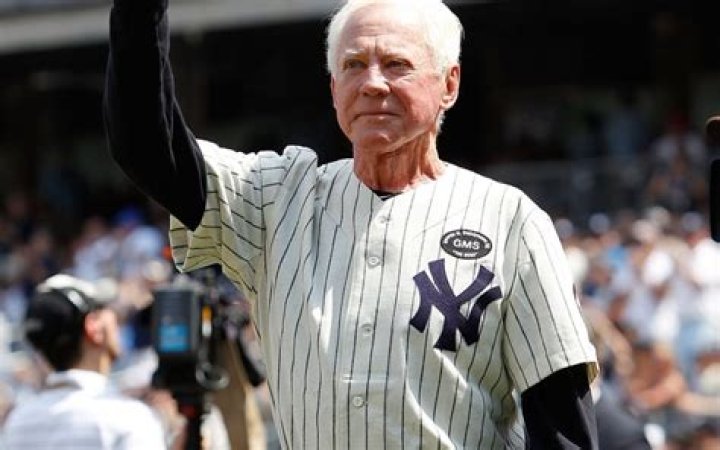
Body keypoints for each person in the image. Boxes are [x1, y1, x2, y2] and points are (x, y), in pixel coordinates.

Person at [103, 0, 599, 448]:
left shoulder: (512, 221)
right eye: (353, 65)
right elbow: (149, 149)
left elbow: (562, 425)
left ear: (449, 84)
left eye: (397, 65)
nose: (372, 83)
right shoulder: (278, 196)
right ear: (334, 89)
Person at [2, 274, 182, 449]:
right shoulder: (129, 418)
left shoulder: (18, 423)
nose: (117, 320)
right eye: (105, 310)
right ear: (93, 327)